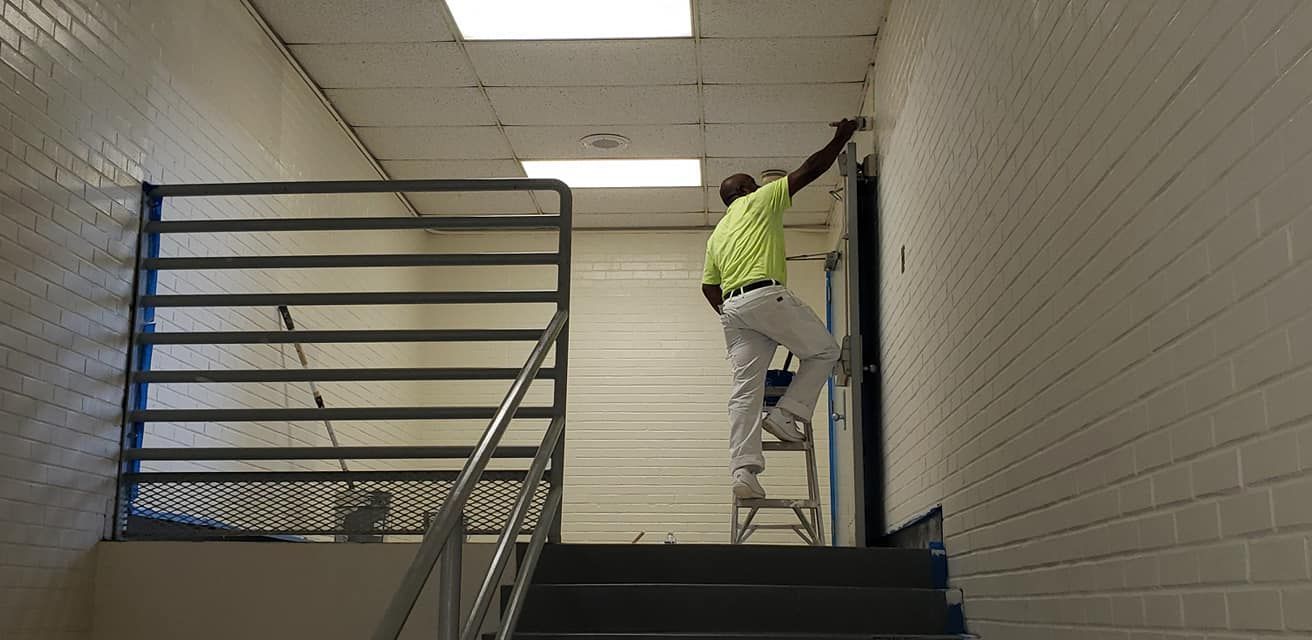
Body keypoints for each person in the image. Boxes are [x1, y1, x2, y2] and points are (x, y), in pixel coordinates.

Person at [701, 118, 859, 499]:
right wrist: (842, 136)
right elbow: (811, 169)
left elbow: (709, 287)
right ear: (744, 190)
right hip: (762, 295)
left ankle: (744, 473)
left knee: (744, 391)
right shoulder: (759, 200)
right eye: (751, 183)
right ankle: (787, 415)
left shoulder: (717, 234)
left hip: (734, 309)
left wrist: (731, 314)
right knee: (824, 350)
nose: (757, 185)